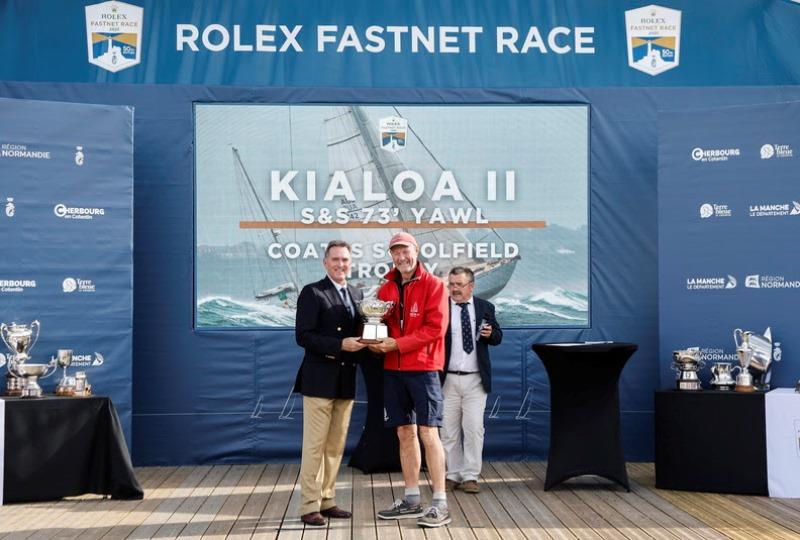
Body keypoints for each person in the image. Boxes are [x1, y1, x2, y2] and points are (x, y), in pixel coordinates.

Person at [368, 232, 451, 528]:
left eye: (405, 251)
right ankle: (412, 499)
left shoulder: (436, 286)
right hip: (393, 369)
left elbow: (435, 330)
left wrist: (396, 344)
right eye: (395, 252)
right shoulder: (385, 288)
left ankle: (440, 502)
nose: (401, 257)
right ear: (391, 255)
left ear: (416, 251)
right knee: (404, 432)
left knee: (429, 433)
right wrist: (376, 340)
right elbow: (378, 323)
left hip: (424, 368)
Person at [294, 240, 367, 527]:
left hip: (345, 380)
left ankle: (327, 500)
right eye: (335, 259)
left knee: (336, 446)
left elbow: (362, 330)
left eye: (345, 260)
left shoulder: (356, 293)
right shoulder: (312, 292)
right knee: (314, 446)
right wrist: (340, 345)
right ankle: (309, 505)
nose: (341, 264)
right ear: (325, 263)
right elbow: (303, 336)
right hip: (319, 380)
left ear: (351, 263)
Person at [441, 266, 503, 494]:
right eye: (452, 284)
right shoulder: (441, 308)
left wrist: (491, 335)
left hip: (476, 380)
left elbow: (497, 336)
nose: (454, 289)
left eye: (459, 284)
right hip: (447, 379)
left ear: (471, 286)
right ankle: (452, 475)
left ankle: (470, 476)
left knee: (474, 428)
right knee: (448, 431)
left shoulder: (485, 307)